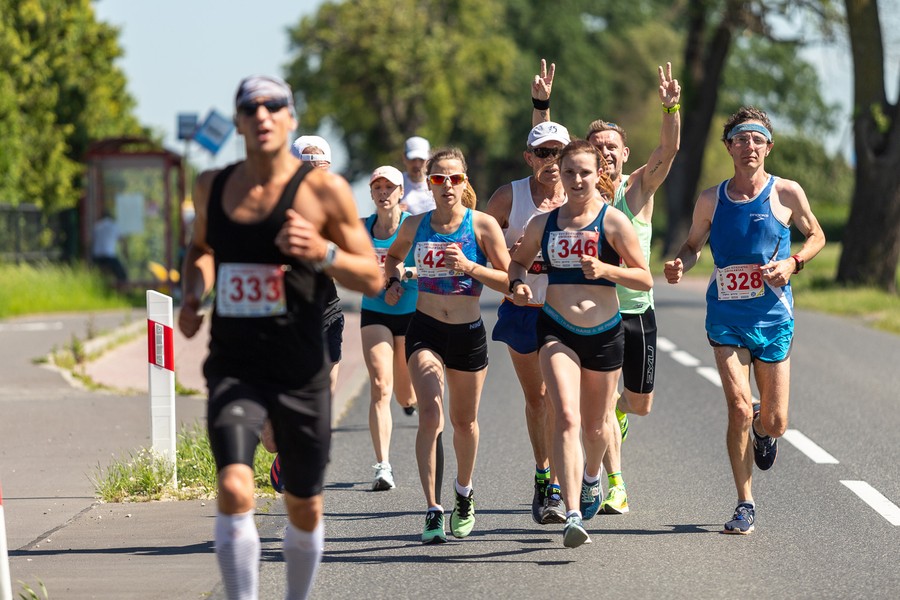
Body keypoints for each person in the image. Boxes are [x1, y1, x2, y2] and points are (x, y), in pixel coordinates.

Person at [177, 74, 381, 599]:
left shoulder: (324, 192)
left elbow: (372, 275)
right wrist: (194, 294)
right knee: (232, 486)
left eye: (274, 107)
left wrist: (322, 252)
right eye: (251, 108)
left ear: (290, 118)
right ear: (240, 121)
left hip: (301, 367)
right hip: (235, 364)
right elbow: (200, 248)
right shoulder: (214, 185)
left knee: (304, 504)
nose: (262, 115)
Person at [663, 107, 825, 534]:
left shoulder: (786, 193)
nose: (748, 146)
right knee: (736, 406)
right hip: (726, 316)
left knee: (775, 421)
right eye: (740, 138)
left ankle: (763, 428)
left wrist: (793, 263)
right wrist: (681, 262)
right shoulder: (710, 199)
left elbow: (817, 235)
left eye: (756, 139)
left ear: (768, 147)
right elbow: (693, 245)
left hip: (773, 318)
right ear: (729, 146)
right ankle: (744, 503)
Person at [533, 59, 681, 517]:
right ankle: (609, 483)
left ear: (624, 153)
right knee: (586, 415)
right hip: (598, 317)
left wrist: (670, 106)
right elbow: (546, 150)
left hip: (639, 306)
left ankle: (613, 417)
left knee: (638, 405)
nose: (607, 153)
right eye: (598, 147)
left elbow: (669, 150)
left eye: (613, 147)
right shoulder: (577, 194)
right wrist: (542, 105)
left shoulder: (637, 189)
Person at [508, 140, 652, 548]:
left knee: (594, 426)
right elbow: (517, 262)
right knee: (566, 417)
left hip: (605, 332)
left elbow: (645, 278)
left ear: (597, 175)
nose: (576, 180)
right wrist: (517, 283)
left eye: (584, 172)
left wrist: (606, 269)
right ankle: (572, 513)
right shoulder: (544, 223)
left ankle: (593, 477)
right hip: (556, 329)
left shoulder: (613, 224)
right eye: (569, 172)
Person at [383, 147, 511, 544]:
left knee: (464, 423)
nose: (447, 186)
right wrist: (393, 282)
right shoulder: (414, 225)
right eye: (439, 179)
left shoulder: (483, 226)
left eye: (455, 179)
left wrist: (470, 267)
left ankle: (464, 491)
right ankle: (433, 508)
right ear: (430, 183)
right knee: (430, 415)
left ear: (465, 182)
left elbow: (510, 280)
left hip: (468, 332)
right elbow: (392, 257)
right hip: (425, 328)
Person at [485, 121, 571, 525]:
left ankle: (561, 485)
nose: (551, 161)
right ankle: (543, 474)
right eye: (543, 152)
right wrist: (510, 262)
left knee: (560, 400)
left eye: (559, 152)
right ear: (529, 157)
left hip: (566, 309)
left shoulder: (580, 195)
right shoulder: (509, 197)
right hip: (522, 309)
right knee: (537, 397)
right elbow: (479, 244)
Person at [264, 135, 345, 494]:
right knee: (270, 436)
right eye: (307, 166)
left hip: (324, 313)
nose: (315, 173)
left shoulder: (337, 212)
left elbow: (355, 264)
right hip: (279, 318)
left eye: (321, 166)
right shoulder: (272, 209)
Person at [360, 165, 419, 491]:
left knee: (404, 391)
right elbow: (351, 267)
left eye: (389, 187)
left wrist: (401, 279)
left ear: (401, 193)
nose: (383, 193)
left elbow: (428, 265)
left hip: (411, 311)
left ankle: (409, 403)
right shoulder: (360, 229)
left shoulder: (412, 227)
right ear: (371, 193)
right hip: (376, 311)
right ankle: (383, 466)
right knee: (381, 384)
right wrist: (382, 285)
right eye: (377, 187)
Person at [399, 136, 434, 215]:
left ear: (428, 159)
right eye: (413, 159)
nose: (417, 164)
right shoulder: (395, 183)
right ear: (404, 158)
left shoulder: (437, 183)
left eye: (421, 160)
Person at [92, 210, 127, 284]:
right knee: (122, 275)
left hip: (97, 257)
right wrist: (125, 252)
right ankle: (122, 289)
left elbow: (91, 241)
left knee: (96, 273)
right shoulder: (114, 226)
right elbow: (122, 241)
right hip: (109, 257)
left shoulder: (97, 226)